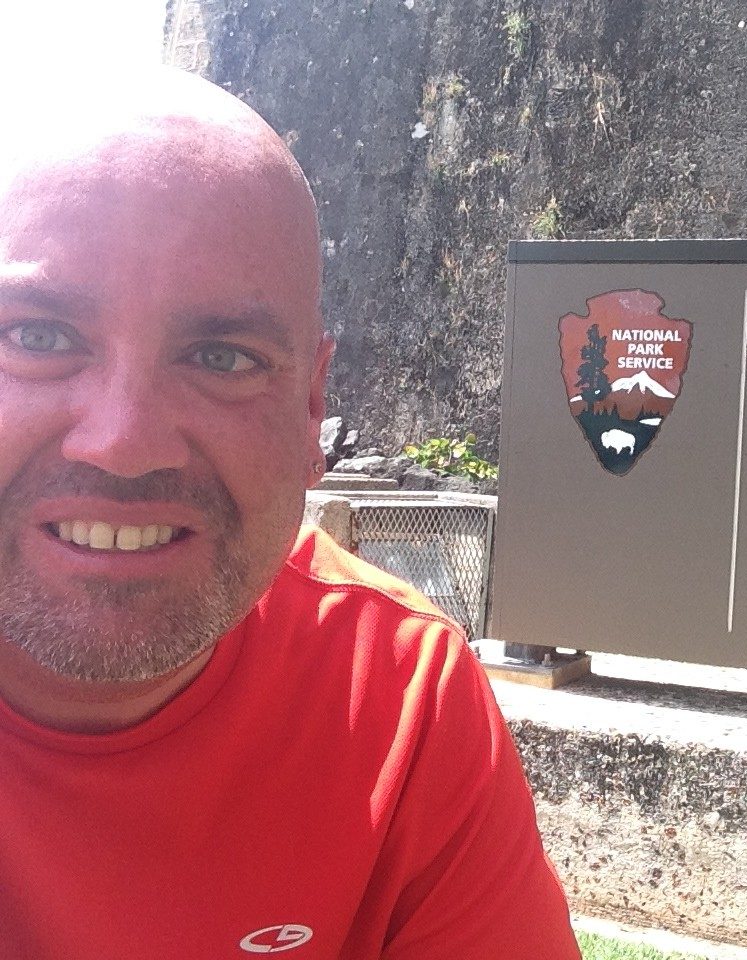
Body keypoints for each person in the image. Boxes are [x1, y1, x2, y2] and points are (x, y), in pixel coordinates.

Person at [0, 67, 579, 958]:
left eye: (222, 357)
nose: (123, 442)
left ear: (313, 407)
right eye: (37, 337)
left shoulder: (396, 702)